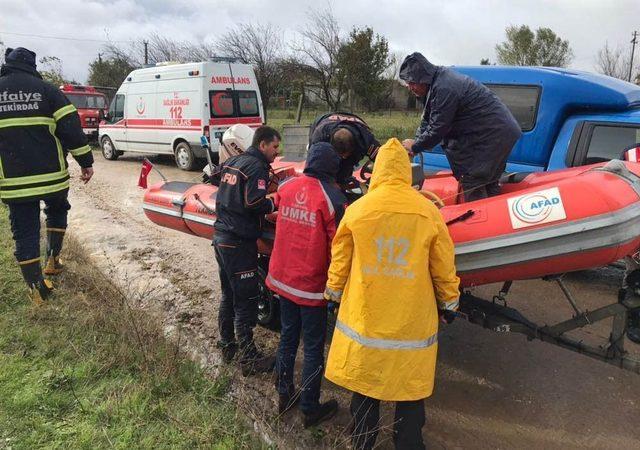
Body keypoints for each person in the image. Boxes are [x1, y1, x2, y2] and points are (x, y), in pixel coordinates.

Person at [323, 138, 460, 450]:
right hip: (411, 322)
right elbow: (443, 266)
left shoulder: (358, 211)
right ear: (407, 173)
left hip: (366, 317)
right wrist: (449, 304)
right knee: (409, 390)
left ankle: (363, 441)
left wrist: (332, 296)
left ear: (378, 171)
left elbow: (340, 260)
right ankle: (408, 443)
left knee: (365, 386)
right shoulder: (428, 212)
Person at [0, 47, 93, 305]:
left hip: (14, 182)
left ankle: (36, 288)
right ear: (32, 65)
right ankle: (53, 259)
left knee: (25, 229)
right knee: (57, 209)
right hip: (52, 176)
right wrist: (86, 162)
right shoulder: (48, 91)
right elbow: (72, 131)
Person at [266, 142, 346, 427]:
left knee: (288, 337)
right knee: (312, 347)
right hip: (311, 285)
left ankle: (284, 394)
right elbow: (340, 247)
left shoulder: (287, 187)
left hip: (283, 279)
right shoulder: (332, 197)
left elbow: (275, 213)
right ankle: (310, 408)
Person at [399, 52, 522, 202]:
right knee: (488, 182)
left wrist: (415, 146)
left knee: (473, 180)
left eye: (412, 82)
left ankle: (479, 220)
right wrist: (416, 143)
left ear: (423, 78)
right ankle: (496, 217)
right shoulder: (435, 85)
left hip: (491, 137)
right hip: (497, 133)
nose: (409, 87)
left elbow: (438, 128)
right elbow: (427, 119)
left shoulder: (445, 88)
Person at [213, 125, 280, 376]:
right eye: (274, 147)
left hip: (221, 237)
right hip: (238, 242)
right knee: (245, 300)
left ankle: (227, 344)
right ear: (262, 144)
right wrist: (275, 201)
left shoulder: (235, 161)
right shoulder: (257, 167)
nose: (276, 152)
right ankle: (249, 358)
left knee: (227, 295)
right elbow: (253, 203)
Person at [308, 112, 380, 188]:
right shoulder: (320, 136)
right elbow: (312, 165)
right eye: (340, 155)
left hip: (357, 125)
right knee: (317, 169)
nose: (343, 157)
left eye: (345, 155)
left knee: (344, 173)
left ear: (354, 146)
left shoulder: (366, 139)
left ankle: (343, 179)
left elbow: (385, 159)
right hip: (323, 121)